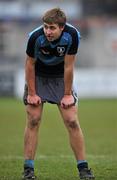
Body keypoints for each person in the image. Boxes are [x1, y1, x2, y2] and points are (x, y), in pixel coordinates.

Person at [22, 8, 95, 180]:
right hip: (38, 77)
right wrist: (32, 93)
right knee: (33, 119)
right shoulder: (34, 37)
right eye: (46, 27)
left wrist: (67, 94)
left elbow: (69, 66)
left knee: (71, 121)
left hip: (60, 78)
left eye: (52, 28)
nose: (47, 31)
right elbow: (29, 65)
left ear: (62, 27)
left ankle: (83, 169)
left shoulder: (73, 35)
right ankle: (28, 170)